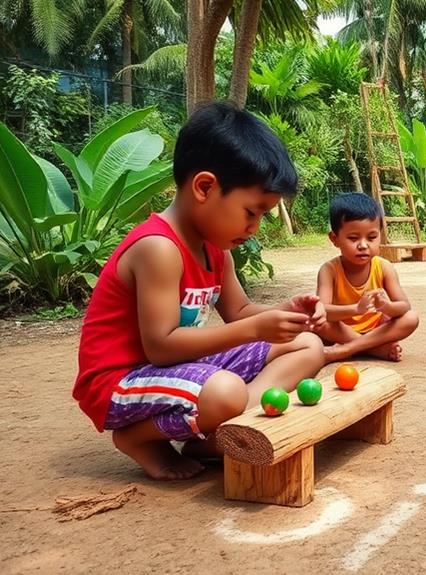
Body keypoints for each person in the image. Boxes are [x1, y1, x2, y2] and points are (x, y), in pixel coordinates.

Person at [74, 102, 325, 481]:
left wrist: (288, 313)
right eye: (251, 211)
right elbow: (160, 346)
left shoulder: (216, 249)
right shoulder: (159, 248)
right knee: (225, 391)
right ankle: (138, 438)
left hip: (177, 370)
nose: (255, 226)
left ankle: (219, 432)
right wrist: (256, 330)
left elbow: (239, 311)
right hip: (120, 382)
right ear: (205, 187)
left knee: (308, 345)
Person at [315, 192, 419, 362]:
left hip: (376, 331)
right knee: (318, 323)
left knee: (411, 318)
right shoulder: (329, 270)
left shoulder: (384, 267)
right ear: (335, 239)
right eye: (353, 238)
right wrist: (355, 309)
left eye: (372, 237)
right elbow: (322, 311)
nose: (363, 245)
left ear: (380, 235)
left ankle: (348, 349)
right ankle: (374, 350)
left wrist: (387, 307)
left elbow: (404, 307)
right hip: (341, 330)